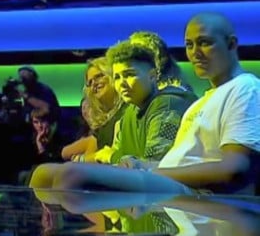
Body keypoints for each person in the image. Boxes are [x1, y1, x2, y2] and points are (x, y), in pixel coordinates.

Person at [29, 13, 260, 196]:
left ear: (231, 44)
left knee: (72, 176)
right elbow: (181, 158)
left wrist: (155, 172)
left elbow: (235, 168)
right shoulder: (202, 102)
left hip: (199, 194)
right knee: (43, 174)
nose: (195, 53)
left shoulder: (245, 88)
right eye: (189, 45)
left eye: (205, 43)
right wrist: (144, 165)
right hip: (168, 180)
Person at [60, 58, 122, 163]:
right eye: (90, 82)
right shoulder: (104, 123)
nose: (94, 84)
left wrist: (81, 159)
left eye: (98, 76)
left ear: (112, 75)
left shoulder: (126, 111)